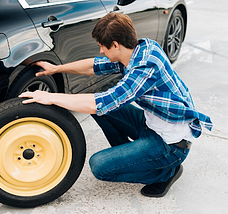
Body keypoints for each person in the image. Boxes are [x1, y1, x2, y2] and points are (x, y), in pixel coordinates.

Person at [19, 13, 213, 197]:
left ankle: (164, 173)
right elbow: (93, 66)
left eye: (102, 46)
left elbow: (101, 102)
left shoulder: (144, 69)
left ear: (115, 44)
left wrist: (50, 97)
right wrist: (56, 68)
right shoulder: (138, 50)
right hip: (151, 125)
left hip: (170, 145)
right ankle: (134, 157)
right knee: (97, 106)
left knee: (100, 166)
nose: (101, 51)